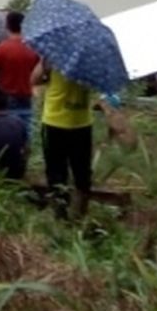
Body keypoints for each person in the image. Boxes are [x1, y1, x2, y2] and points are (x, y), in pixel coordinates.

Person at [36, 62, 96, 218]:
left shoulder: (55, 57)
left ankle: (60, 214)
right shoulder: (91, 60)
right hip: (81, 122)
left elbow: (33, 79)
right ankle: (80, 214)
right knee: (82, 172)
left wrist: (44, 64)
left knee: (56, 171)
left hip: (54, 122)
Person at [0, 11, 41, 129]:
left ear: (7, 26)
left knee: (7, 132)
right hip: (26, 96)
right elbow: (39, 74)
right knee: (24, 131)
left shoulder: (0, 48)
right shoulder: (33, 47)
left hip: (6, 98)